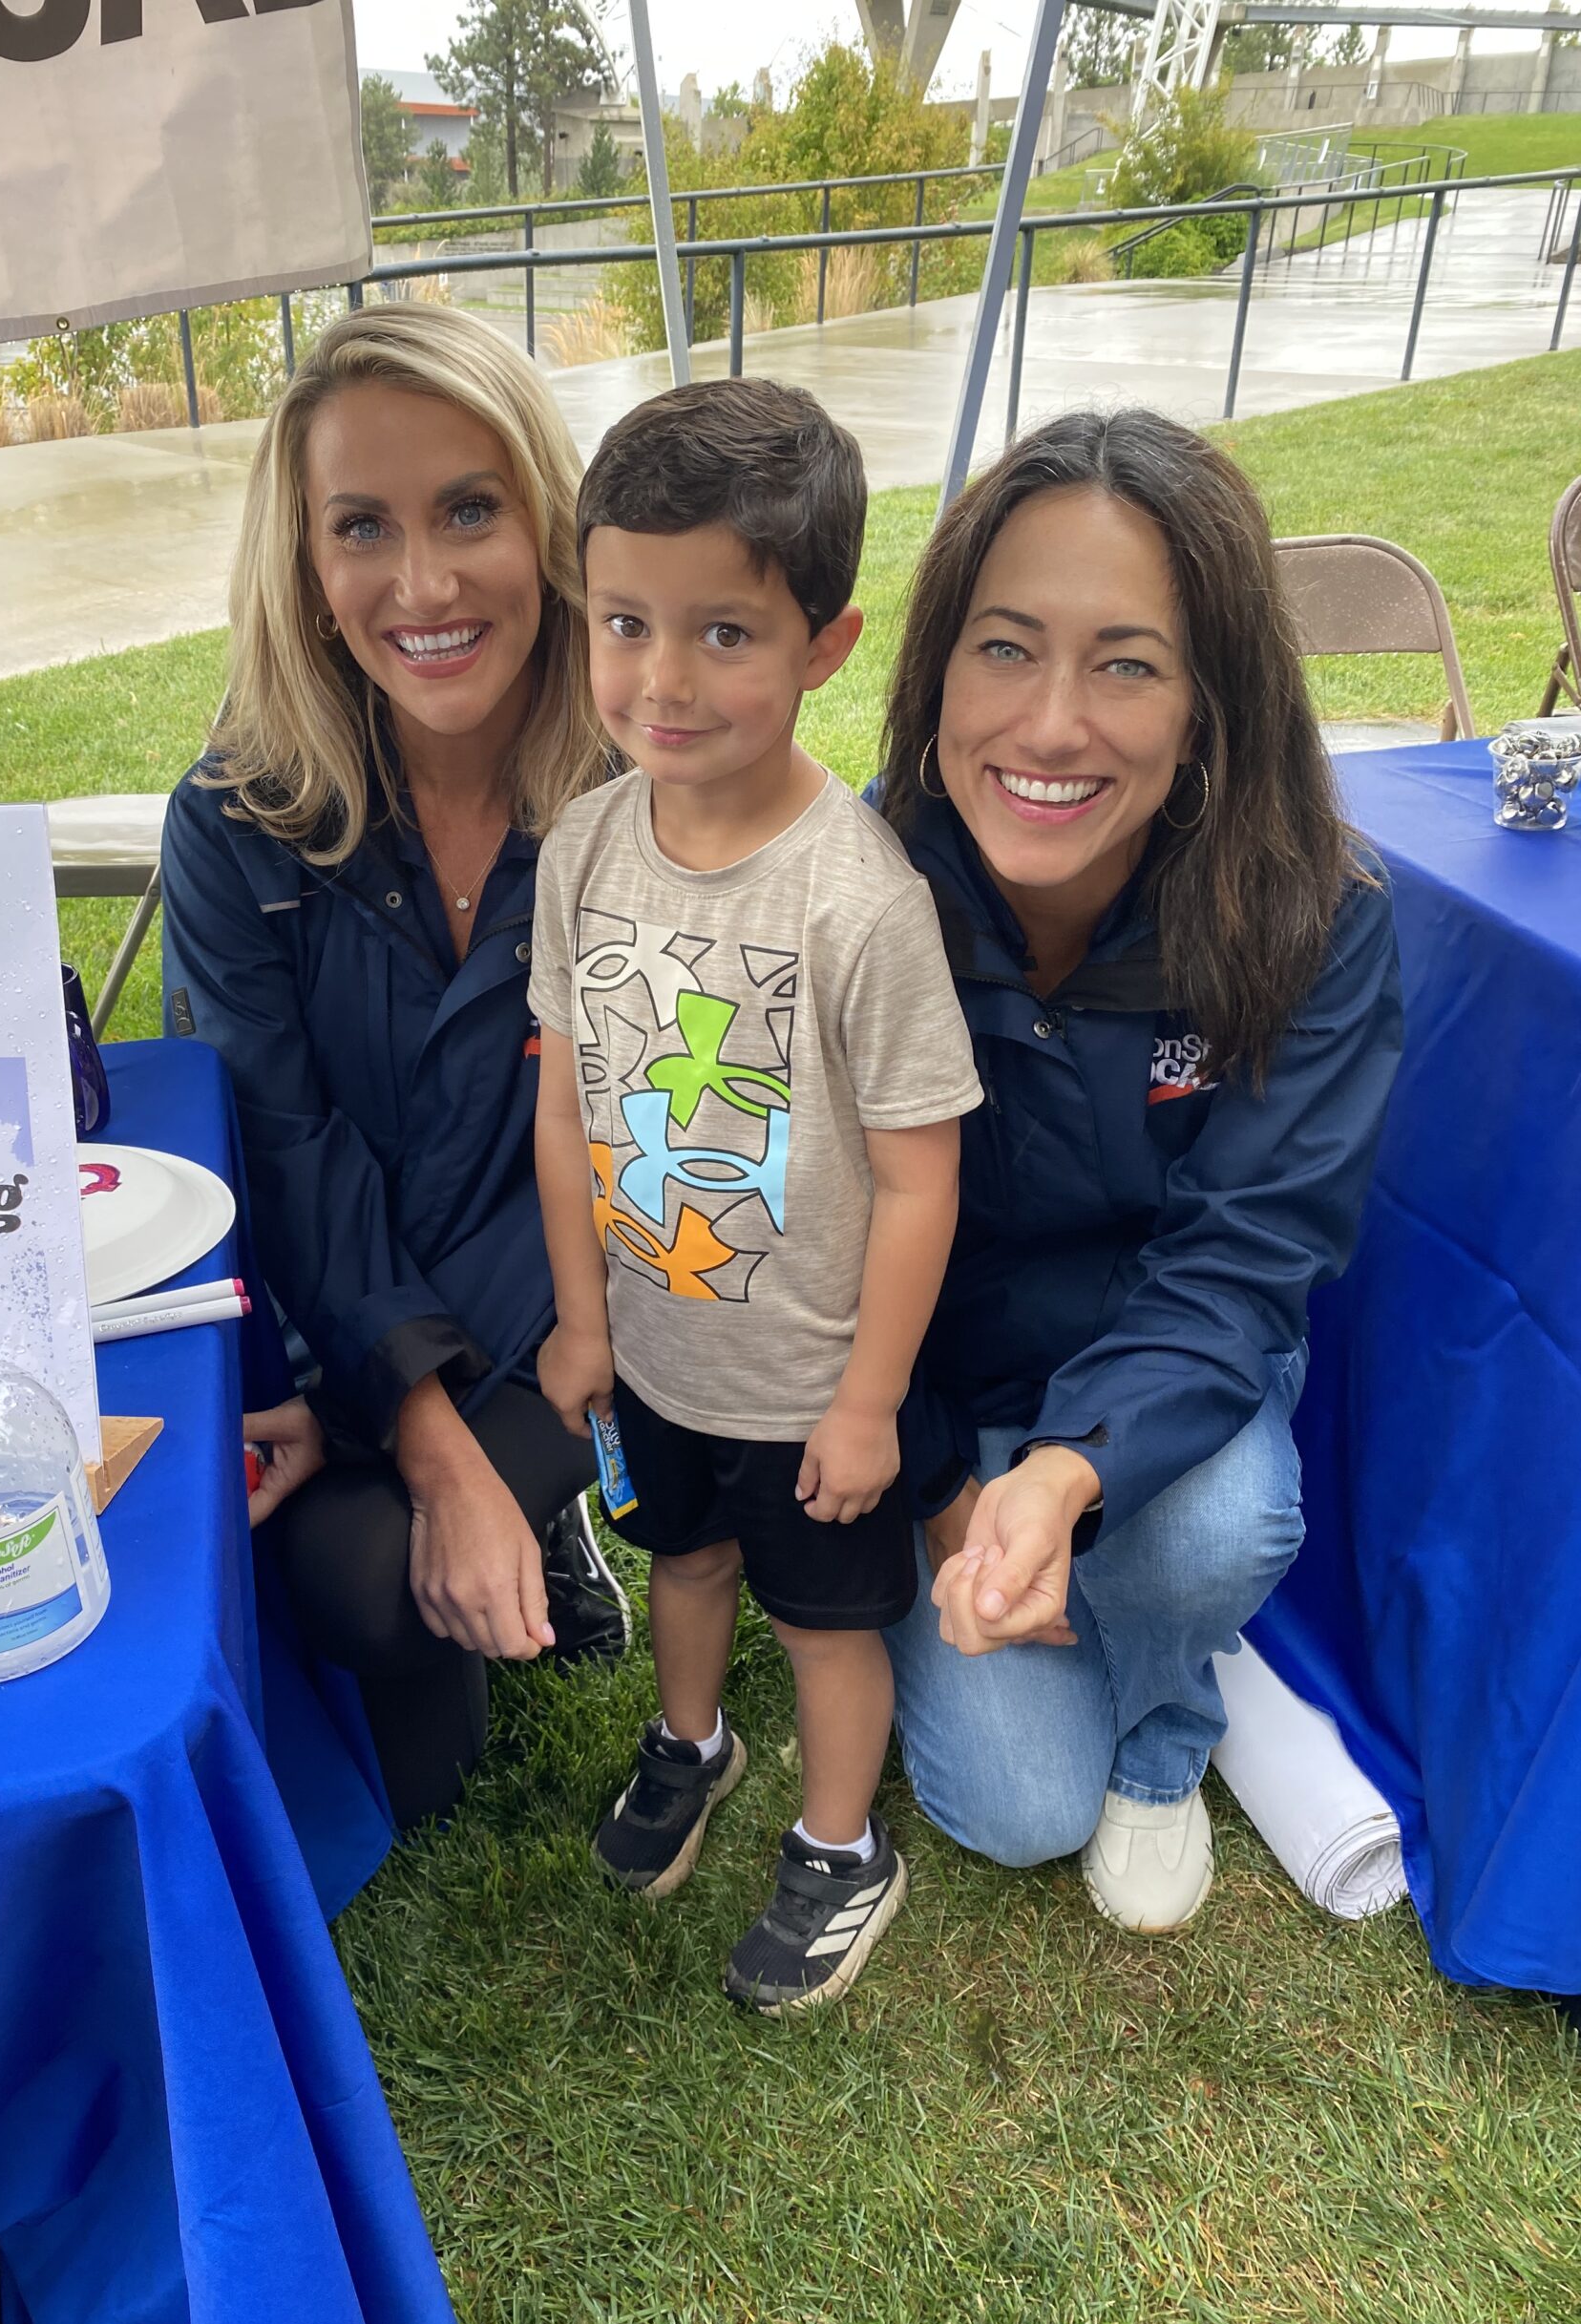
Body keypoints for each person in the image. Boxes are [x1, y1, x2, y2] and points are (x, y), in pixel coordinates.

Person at [871, 407, 1403, 1933]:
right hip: (944, 1399)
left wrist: (1069, 1473)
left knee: (1220, 1526)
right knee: (1018, 1810)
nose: (1051, 727)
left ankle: (1173, 1720)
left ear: (1207, 710)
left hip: (1161, 1369)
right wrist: (938, 1491)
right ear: (937, 669)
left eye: (1127, 666)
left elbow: (1245, 1260)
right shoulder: (855, 892)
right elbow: (825, 1249)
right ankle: (1119, 1603)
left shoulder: (1311, 920)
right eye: (1005, 648)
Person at [531, 380, 982, 2013]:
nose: (662, 679)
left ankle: (841, 1845)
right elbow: (563, 1098)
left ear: (825, 645)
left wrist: (868, 1405)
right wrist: (583, 1322)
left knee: (824, 1623)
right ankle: (691, 1742)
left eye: (724, 632)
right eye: (626, 623)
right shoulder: (582, 849)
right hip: (656, 1354)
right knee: (685, 1563)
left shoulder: (860, 901)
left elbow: (922, 1177)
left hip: (810, 1391)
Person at [160, 302, 621, 1829]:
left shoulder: (644, 793)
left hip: (583, 1309)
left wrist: (486, 1423)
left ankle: (560, 1501)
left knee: (389, 1581)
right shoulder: (235, 822)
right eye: (363, 525)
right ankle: (504, 1513)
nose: (422, 585)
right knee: (367, 1594)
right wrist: (410, 1426)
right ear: (305, 559)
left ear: (547, 525)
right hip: (355, 1309)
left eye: (471, 510)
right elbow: (285, 1151)